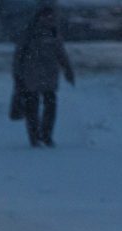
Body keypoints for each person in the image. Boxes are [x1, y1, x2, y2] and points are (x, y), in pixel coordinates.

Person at [12, 5, 75, 147]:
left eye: (52, 16)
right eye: (47, 16)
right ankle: (34, 137)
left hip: (50, 77)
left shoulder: (54, 33)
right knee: (32, 108)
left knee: (50, 107)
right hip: (31, 76)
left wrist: (68, 70)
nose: (50, 19)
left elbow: (61, 53)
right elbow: (19, 55)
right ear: (39, 17)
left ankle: (47, 136)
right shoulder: (29, 33)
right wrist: (17, 74)